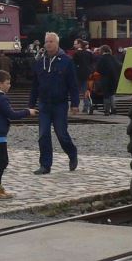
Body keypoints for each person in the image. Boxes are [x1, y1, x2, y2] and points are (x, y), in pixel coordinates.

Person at [29, 31, 80, 174]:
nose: (48, 44)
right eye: (46, 41)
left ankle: (72, 153)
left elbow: (73, 85)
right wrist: (31, 105)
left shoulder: (66, 61)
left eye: (51, 41)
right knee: (43, 135)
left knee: (61, 134)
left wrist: (75, 103)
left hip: (60, 104)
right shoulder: (40, 62)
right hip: (44, 104)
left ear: (57, 43)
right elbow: (35, 85)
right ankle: (45, 165)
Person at [0, 69, 35, 199]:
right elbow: (12, 114)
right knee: (3, 161)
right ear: (0, 84)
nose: (9, 85)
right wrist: (27, 112)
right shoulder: (1, 98)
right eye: (7, 83)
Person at [94, 45, 121, 115]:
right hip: (114, 79)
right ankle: (114, 108)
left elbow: (98, 69)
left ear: (102, 50)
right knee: (112, 94)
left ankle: (107, 110)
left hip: (105, 79)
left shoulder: (101, 58)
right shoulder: (114, 58)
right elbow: (119, 66)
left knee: (106, 94)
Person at [72, 39, 95, 114]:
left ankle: (75, 107)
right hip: (87, 74)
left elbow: (73, 64)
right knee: (86, 91)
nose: (74, 45)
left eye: (75, 44)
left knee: (76, 92)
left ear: (79, 44)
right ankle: (86, 107)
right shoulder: (89, 53)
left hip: (78, 75)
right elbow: (92, 62)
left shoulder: (76, 54)